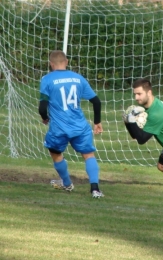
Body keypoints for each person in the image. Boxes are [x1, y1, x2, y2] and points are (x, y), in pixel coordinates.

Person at [38, 50, 104, 198]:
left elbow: (42, 107)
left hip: (59, 128)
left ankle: (67, 183)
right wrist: (97, 122)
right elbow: (96, 101)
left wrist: (44, 117)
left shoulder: (47, 79)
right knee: (88, 155)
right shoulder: (78, 78)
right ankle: (95, 189)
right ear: (66, 62)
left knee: (55, 153)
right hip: (80, 126)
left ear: (51, 64)